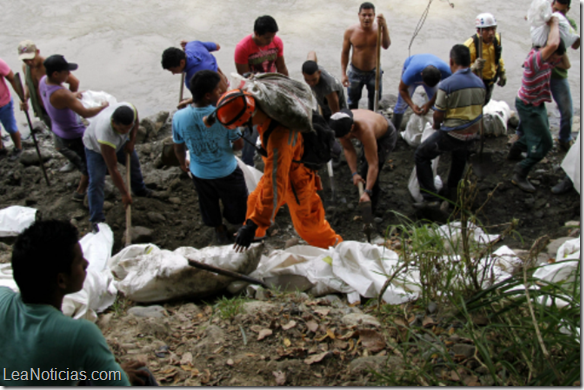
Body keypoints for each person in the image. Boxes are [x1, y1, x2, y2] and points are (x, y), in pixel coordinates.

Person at [0, 219, 157, 386]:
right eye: (80, 260)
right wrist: (121, 376)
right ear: (61, 280)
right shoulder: (81, 334)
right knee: (143, 376)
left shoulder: (3, 300)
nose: (86, 263)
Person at [212, 89, 342, 251]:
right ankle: (253, 244)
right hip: (278, 172)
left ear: (247, 119)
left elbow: (276, 183)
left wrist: (254, 223)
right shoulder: (261, 101)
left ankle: (339, 249)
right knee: (254, 202)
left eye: (241, 125)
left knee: (309, 227)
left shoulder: (280, 135)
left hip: (296, 180)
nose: (242, 129)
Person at [173, 71, 248, 245]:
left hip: (200, 173)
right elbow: (239, 146)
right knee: (237, 201)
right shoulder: (224, 114)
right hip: (226, 170)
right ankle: (238, 228)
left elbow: (178, 147)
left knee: (208, 203)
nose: (221, 94)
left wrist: (183, 164)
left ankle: (219, 231)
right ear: (208, 96)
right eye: (217, 91)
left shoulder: (179, 117)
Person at [413, 45, 485, 207]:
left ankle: (430, 198)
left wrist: (436, 126)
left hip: (454, 133)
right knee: (459, 156)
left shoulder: (447, 84)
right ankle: (452, 192)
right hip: (472, 133)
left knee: (421, 155)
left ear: (451, 61)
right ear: (469, 62)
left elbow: (438, 115)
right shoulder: (480, 83)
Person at [508, 16, 568, 193]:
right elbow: (554, 45)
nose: (555, 64)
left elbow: (566, 64)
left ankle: (516, 149)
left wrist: (561, 44)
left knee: (538, 134)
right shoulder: (536, 60)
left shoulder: (548, 58)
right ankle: (520, 172)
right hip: (528, 106)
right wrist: (555, 23)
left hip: (537, 103)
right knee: (546, 144)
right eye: (553, 60)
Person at [39, 55, 108, 201]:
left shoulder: (43, 82)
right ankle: (80, 192)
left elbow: (60, 100)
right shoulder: (62, 94)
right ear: (56, 74)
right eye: (66, 72)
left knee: (85, 157)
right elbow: (85, 112)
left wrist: (73, 95)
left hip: (58, 129)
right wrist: (103, 107)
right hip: (73, 134)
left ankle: (97, 171)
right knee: (89, 161)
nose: (69, 75)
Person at [83, 102, 154, 232]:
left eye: (128, 128)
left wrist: (131, 141)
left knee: (133, 163)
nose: (125, 132)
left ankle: (139, 189)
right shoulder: (105, 134)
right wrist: (124, 193)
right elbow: (112, 168)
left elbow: (136, 123)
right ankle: (96, 219)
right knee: (96, 180)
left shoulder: (130, 109)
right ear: (114, 122)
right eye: (122, 130)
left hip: (120, 144)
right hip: (95, 148)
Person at [18, 40, 80, 172]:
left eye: (30, 59)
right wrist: (24, 98)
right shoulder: (26, 68)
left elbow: (74, 81)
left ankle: (81, 163)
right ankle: (75, 161)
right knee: (59, 139)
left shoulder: (50, 67)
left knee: (62, 142)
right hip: (43, 110)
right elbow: (28, 84)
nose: (28, 62)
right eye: (25, 60)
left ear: (38, 52)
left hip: (57, 110)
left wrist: (71, 101)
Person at [235, 15, 289, 167]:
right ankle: (247, 162)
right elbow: (244, 80)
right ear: (256, 34)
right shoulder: (243, 48)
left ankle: (275, 156)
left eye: (273, 36)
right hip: (254, 92)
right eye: (267, 38)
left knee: (276, 124)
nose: (271, 41)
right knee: (251, 130)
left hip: (272, 87)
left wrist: (287, 88)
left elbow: (282, 67)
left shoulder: (276, 42)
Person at [328, 108, 396, 212]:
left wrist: (367, 191)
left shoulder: (365, 130)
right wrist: (354, 173)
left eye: (345, 136)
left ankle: (371, 203)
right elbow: (348, 149)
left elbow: (373, 164)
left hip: (385, 135)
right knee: (364, 162)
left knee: (369, 167)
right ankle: (367, 190)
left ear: (352, 127)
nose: (343, 139)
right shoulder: (341, 123)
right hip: (371, 128)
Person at [341, 2, 390, 111]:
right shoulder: (350, 31)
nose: (367, 18)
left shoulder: (378, 30)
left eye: (370, 15)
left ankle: (371, 122)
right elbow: (345, 53)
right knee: (352, 101)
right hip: (355, 72)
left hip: (374, 72)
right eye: (364, 15)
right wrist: (344, 74)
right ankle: (353, 123)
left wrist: (384, 26)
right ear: (359, 15)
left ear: (374, 16)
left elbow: (386, 45)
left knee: (374, 102)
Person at [301, 51, 346, 166]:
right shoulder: (311, 67)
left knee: (330, 133)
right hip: (321, 102)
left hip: (334, 108)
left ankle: (336, 153)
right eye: (307, 80)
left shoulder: (328, 88)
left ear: (319, 72)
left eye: (314, 80)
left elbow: (335, 114)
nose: (310, 83)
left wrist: (330, 130)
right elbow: (312, 53)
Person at [391, 53, 452, 131]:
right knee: (401, 105)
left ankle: (436, 130)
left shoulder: (447, 71)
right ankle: (394, 131)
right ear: (421, 75)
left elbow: (443, 90)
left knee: (437, 104)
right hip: (414, 70)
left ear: (440, 75)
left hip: (431, 75)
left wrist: (429, 104)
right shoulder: (411, 73)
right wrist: (412, 106)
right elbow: (402, 89)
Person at [161, 40, 228, 109]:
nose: (173, 73)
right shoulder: (193, 44)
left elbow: (200, 98)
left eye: (173, 70)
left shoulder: (192, 79)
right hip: (226, 83)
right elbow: (217, 46)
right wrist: (192, 45)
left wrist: (186, 102)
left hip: (220, 99)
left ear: (182, 62)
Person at [549, 0, 580, 151]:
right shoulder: (545, 17)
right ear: (551, 5)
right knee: (530, 103)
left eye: (562, 12)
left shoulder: (569, 23)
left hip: (558, 72)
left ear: (568, 9)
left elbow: (575, 45)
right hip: (540, 70)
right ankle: (520, 134)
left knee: (567, 111)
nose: (557, 14)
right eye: (555, 9)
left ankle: (564, 139)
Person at [463, 13, 507, 105]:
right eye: (487, 30)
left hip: (490, 82)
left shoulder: (496, 39)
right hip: (475, 84)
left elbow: (498, 57)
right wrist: (473, 67)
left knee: (484, 102)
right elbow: (459, 71)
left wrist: (502, 72)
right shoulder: (470, 46)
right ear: (479, 31)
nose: (491, 33)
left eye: (493, 29)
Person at [0, 57, 24, 161]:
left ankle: (18, 148)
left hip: (4, 102)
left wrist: (22, 97)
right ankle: (1, 149)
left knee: (11, 127)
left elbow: (12, 79)